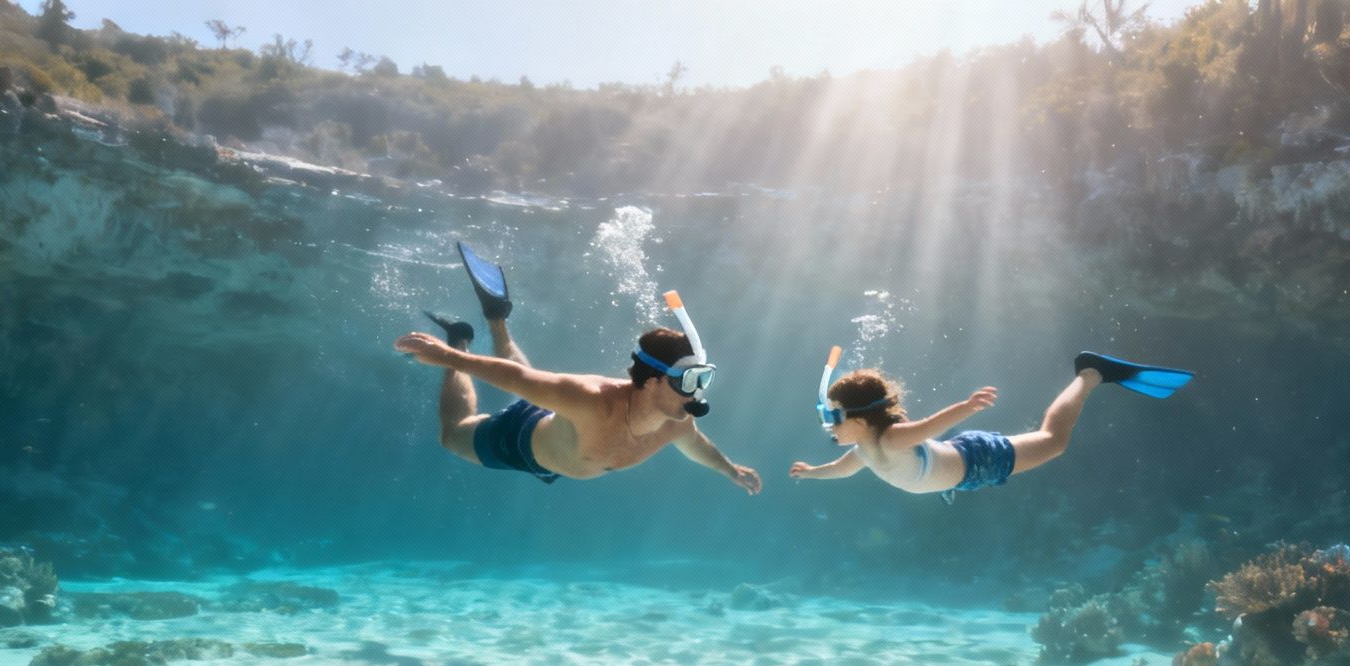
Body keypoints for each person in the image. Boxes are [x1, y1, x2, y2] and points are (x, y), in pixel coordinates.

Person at [393, 243, 762, 494]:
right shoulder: (592, 400)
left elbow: (695, 445)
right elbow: (517, 379)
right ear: (651, 382)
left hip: (559, 428)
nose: (698, 393)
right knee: (452, 436)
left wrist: (730, 471)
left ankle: (496, 317)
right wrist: (448, 356)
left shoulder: (678, 421)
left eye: (703, 378)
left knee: (532, 384)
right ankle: (459, 335)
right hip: (519, 441)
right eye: (690, 380)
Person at [789, 351, 1191, 497]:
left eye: (832, 415)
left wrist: (966, 406)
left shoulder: (892, 438)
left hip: (978, 459)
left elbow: (930, 426)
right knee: (1049, 442)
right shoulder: (864, 448)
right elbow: (843, 470)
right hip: (961, 475)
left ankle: (1091, 373)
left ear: (860, 418)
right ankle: (1092, 374)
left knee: (1053, 442)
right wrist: (813, 473)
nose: (827, 424)